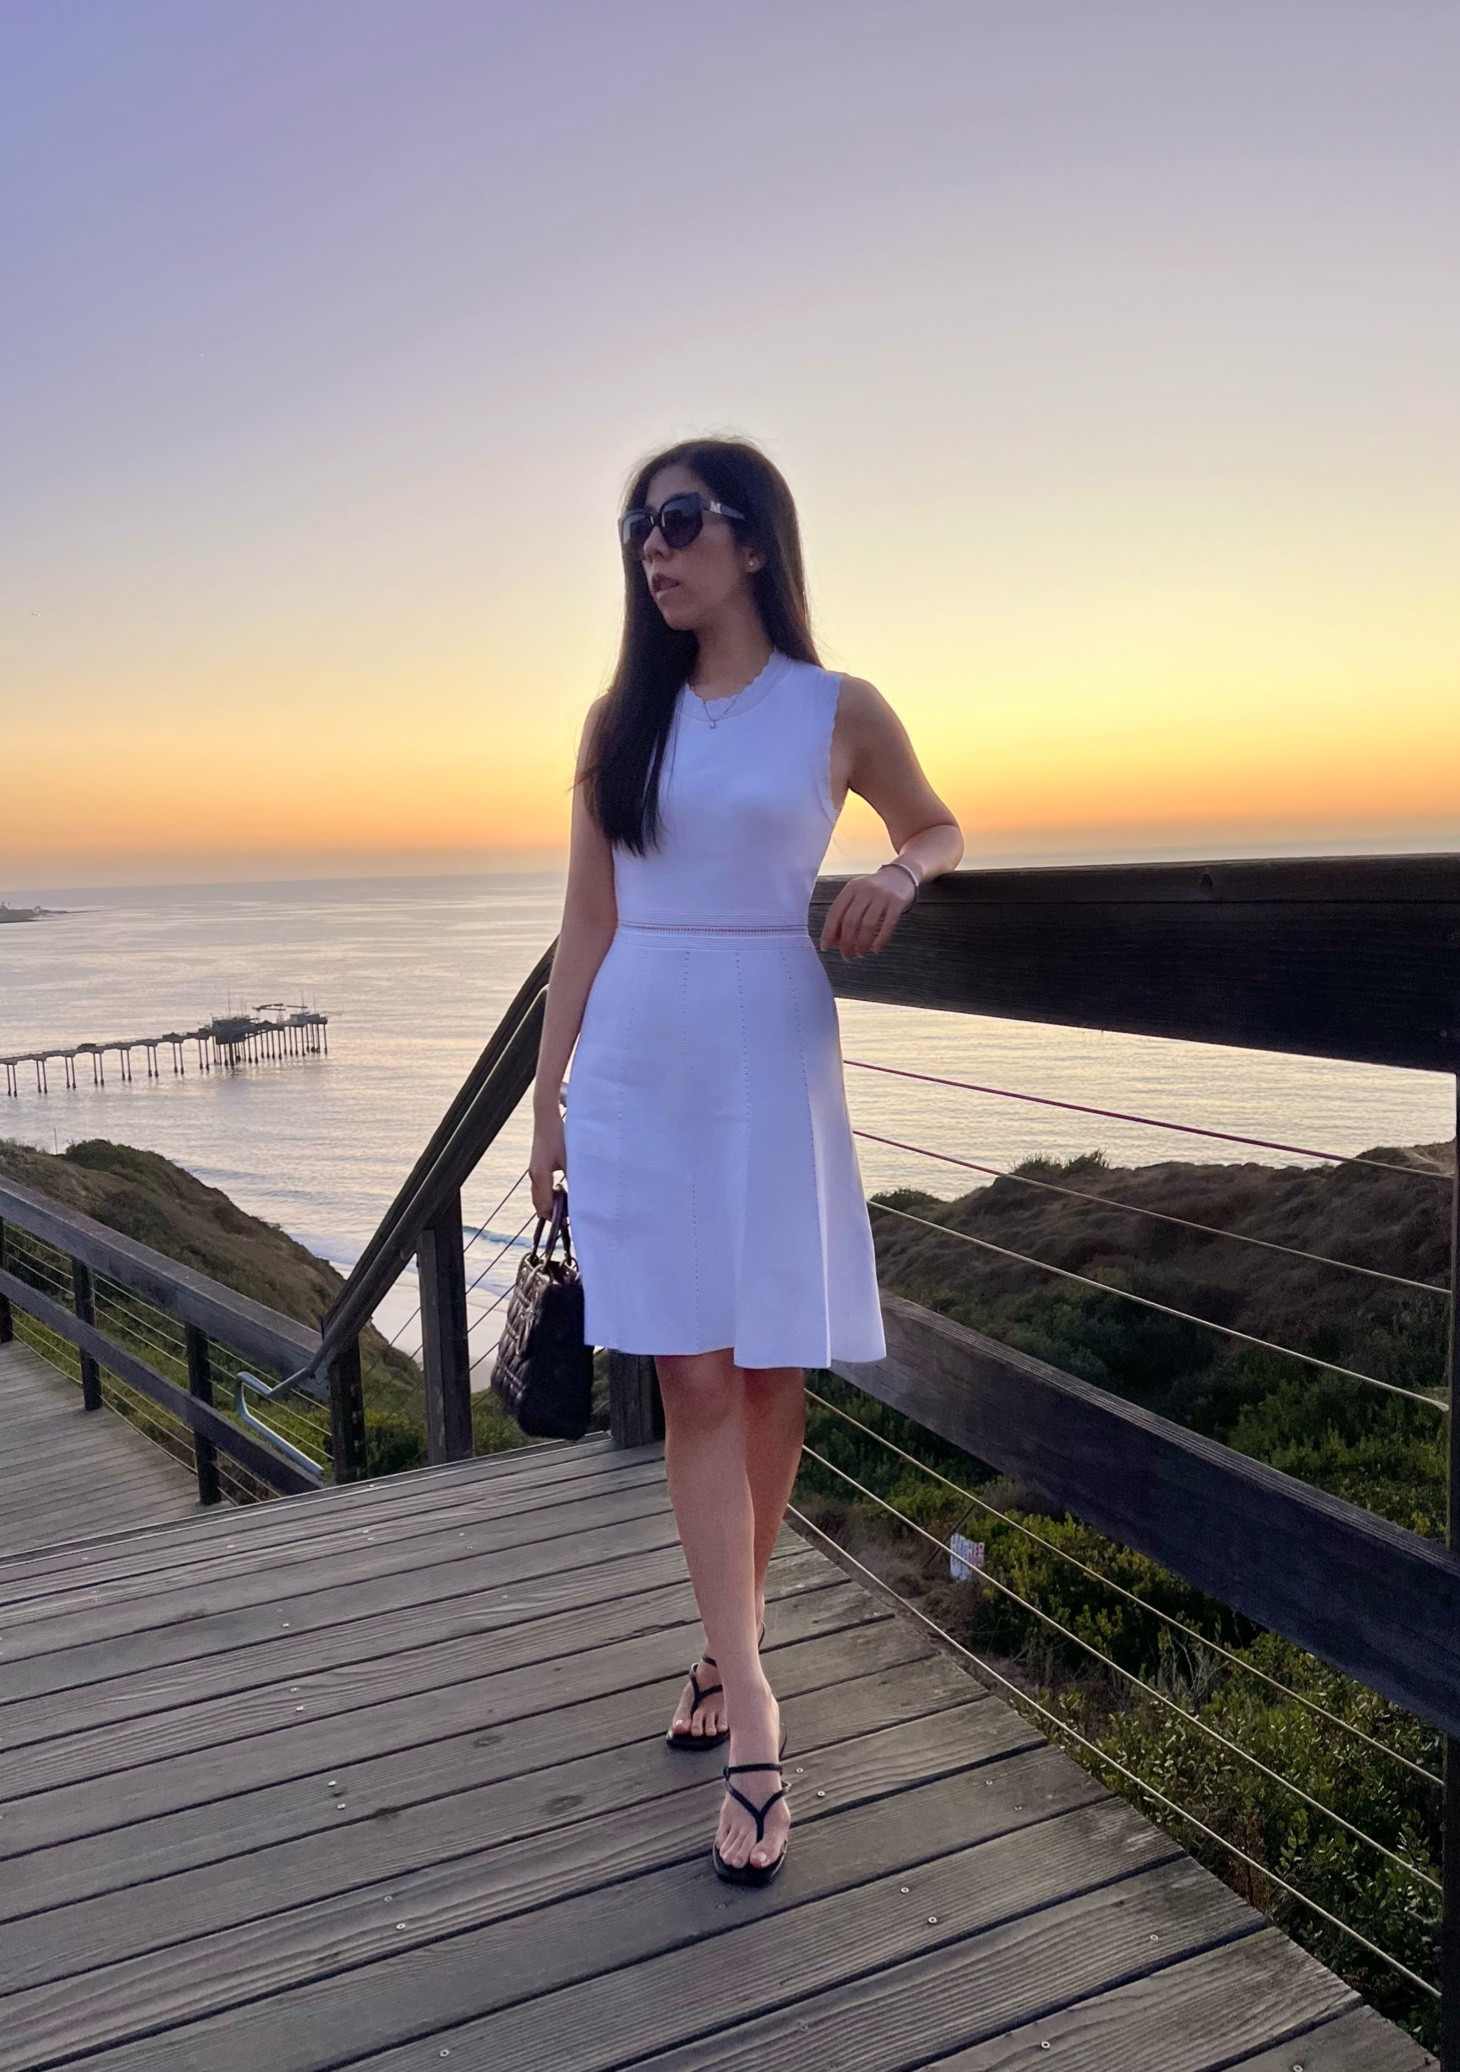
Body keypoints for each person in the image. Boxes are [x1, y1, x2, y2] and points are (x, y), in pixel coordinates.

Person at [529, 437, 962, 1885]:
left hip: (774, 1049)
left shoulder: (837, 709)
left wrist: (899, 872)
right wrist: (546, 1109)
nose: (653, 550)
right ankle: (758, 1700)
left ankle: (725, 1652)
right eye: (637, 530)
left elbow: (938, 823)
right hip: (644, 1058)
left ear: (755, 541)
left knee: (770, 1369)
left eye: (679, 522)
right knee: (695, 1375)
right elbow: (583, 928)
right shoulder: (616, 722)